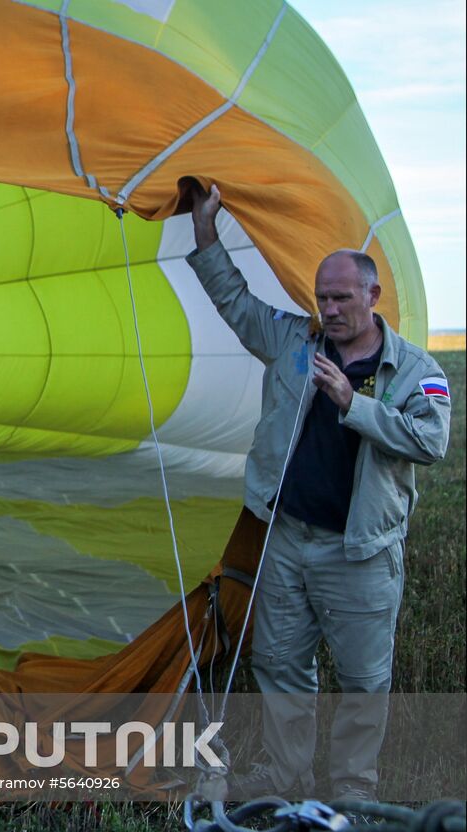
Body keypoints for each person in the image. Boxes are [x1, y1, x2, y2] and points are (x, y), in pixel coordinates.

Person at [185, 182, 451, 800]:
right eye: (322, 297)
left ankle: (354, 788)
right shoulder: (294, 341)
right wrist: (204, 229)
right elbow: (235, 301)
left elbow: (431, 441)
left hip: (359, 551)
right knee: (279, 664)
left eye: (341, 298)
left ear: (372, 296)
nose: (329, 309)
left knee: (362, 678)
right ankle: (286, 778)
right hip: (287, 538)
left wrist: (353, 404)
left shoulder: (415, 370)